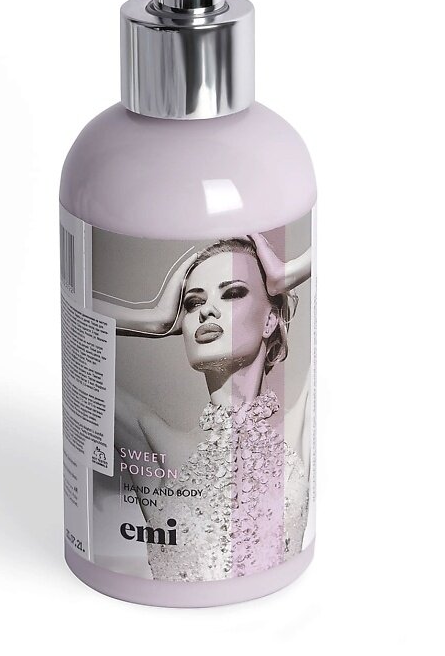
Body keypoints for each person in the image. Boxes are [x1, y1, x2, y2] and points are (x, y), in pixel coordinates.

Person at [97, 233, 312, 581]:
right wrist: (153, 320)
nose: (206, 311)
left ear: (270, 320)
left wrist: (287, 274)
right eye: (193, 303)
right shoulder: (156, 444)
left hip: (278, 610)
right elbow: (75, 316)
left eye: (232, 293)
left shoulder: (302, 428)